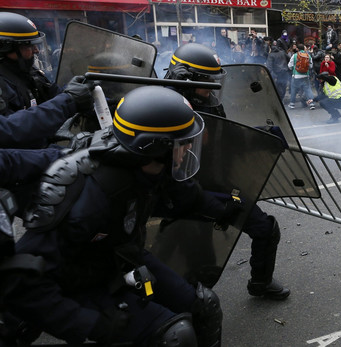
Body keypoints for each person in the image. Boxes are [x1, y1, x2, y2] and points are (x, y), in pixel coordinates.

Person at [8, 86, 223, 346]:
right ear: (156, 147)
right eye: (183, 142)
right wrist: (91, 323)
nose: (189, 147)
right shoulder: (91, 196)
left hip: (117, 257)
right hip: (77, 284)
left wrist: (229, 208)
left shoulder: (151, 170)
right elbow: (19, 282)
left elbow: (187, 199)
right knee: (177, 336)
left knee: (206, 306)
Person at [164, 43, 291, 299]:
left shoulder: (208, 103)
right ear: (187, 79)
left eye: (215, 79)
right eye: (207, 80)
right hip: (185, 192)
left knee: (264, 228)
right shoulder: (167, 108)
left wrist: (260, 137)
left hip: (216, 183)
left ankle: (260, 283)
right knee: (193, 257)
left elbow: (224, 139)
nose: (214, 86)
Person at [0, 12, 61, 117]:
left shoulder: (27, 71)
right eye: (29, 46)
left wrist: (72, 92)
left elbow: (52, 93)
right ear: (5, 47)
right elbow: (13, 127)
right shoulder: (3, 85)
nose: (36, 50)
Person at [287, 43, 316, 110]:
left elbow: (289, 66)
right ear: (304, 48)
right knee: (308, 90)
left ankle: (292, 104)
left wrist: (294, 69)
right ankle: (311, 104)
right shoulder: (308, 56)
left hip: (296, 76)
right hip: (305, 76)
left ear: (297, 49)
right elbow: (311, 66)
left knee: (293, 89)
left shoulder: (294, 56)